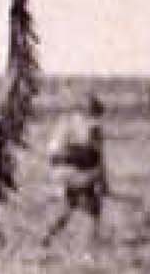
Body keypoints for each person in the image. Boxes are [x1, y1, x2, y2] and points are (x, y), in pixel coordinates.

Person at [40, 93, 109, 249]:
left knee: (69, 205)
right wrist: (103, 181)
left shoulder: (66, 122)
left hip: (61, 172)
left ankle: (48, 236)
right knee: (94, 207)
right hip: (80, 172)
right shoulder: (94, 128)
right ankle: (92, 243)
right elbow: (99, 158)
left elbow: (52, 152)